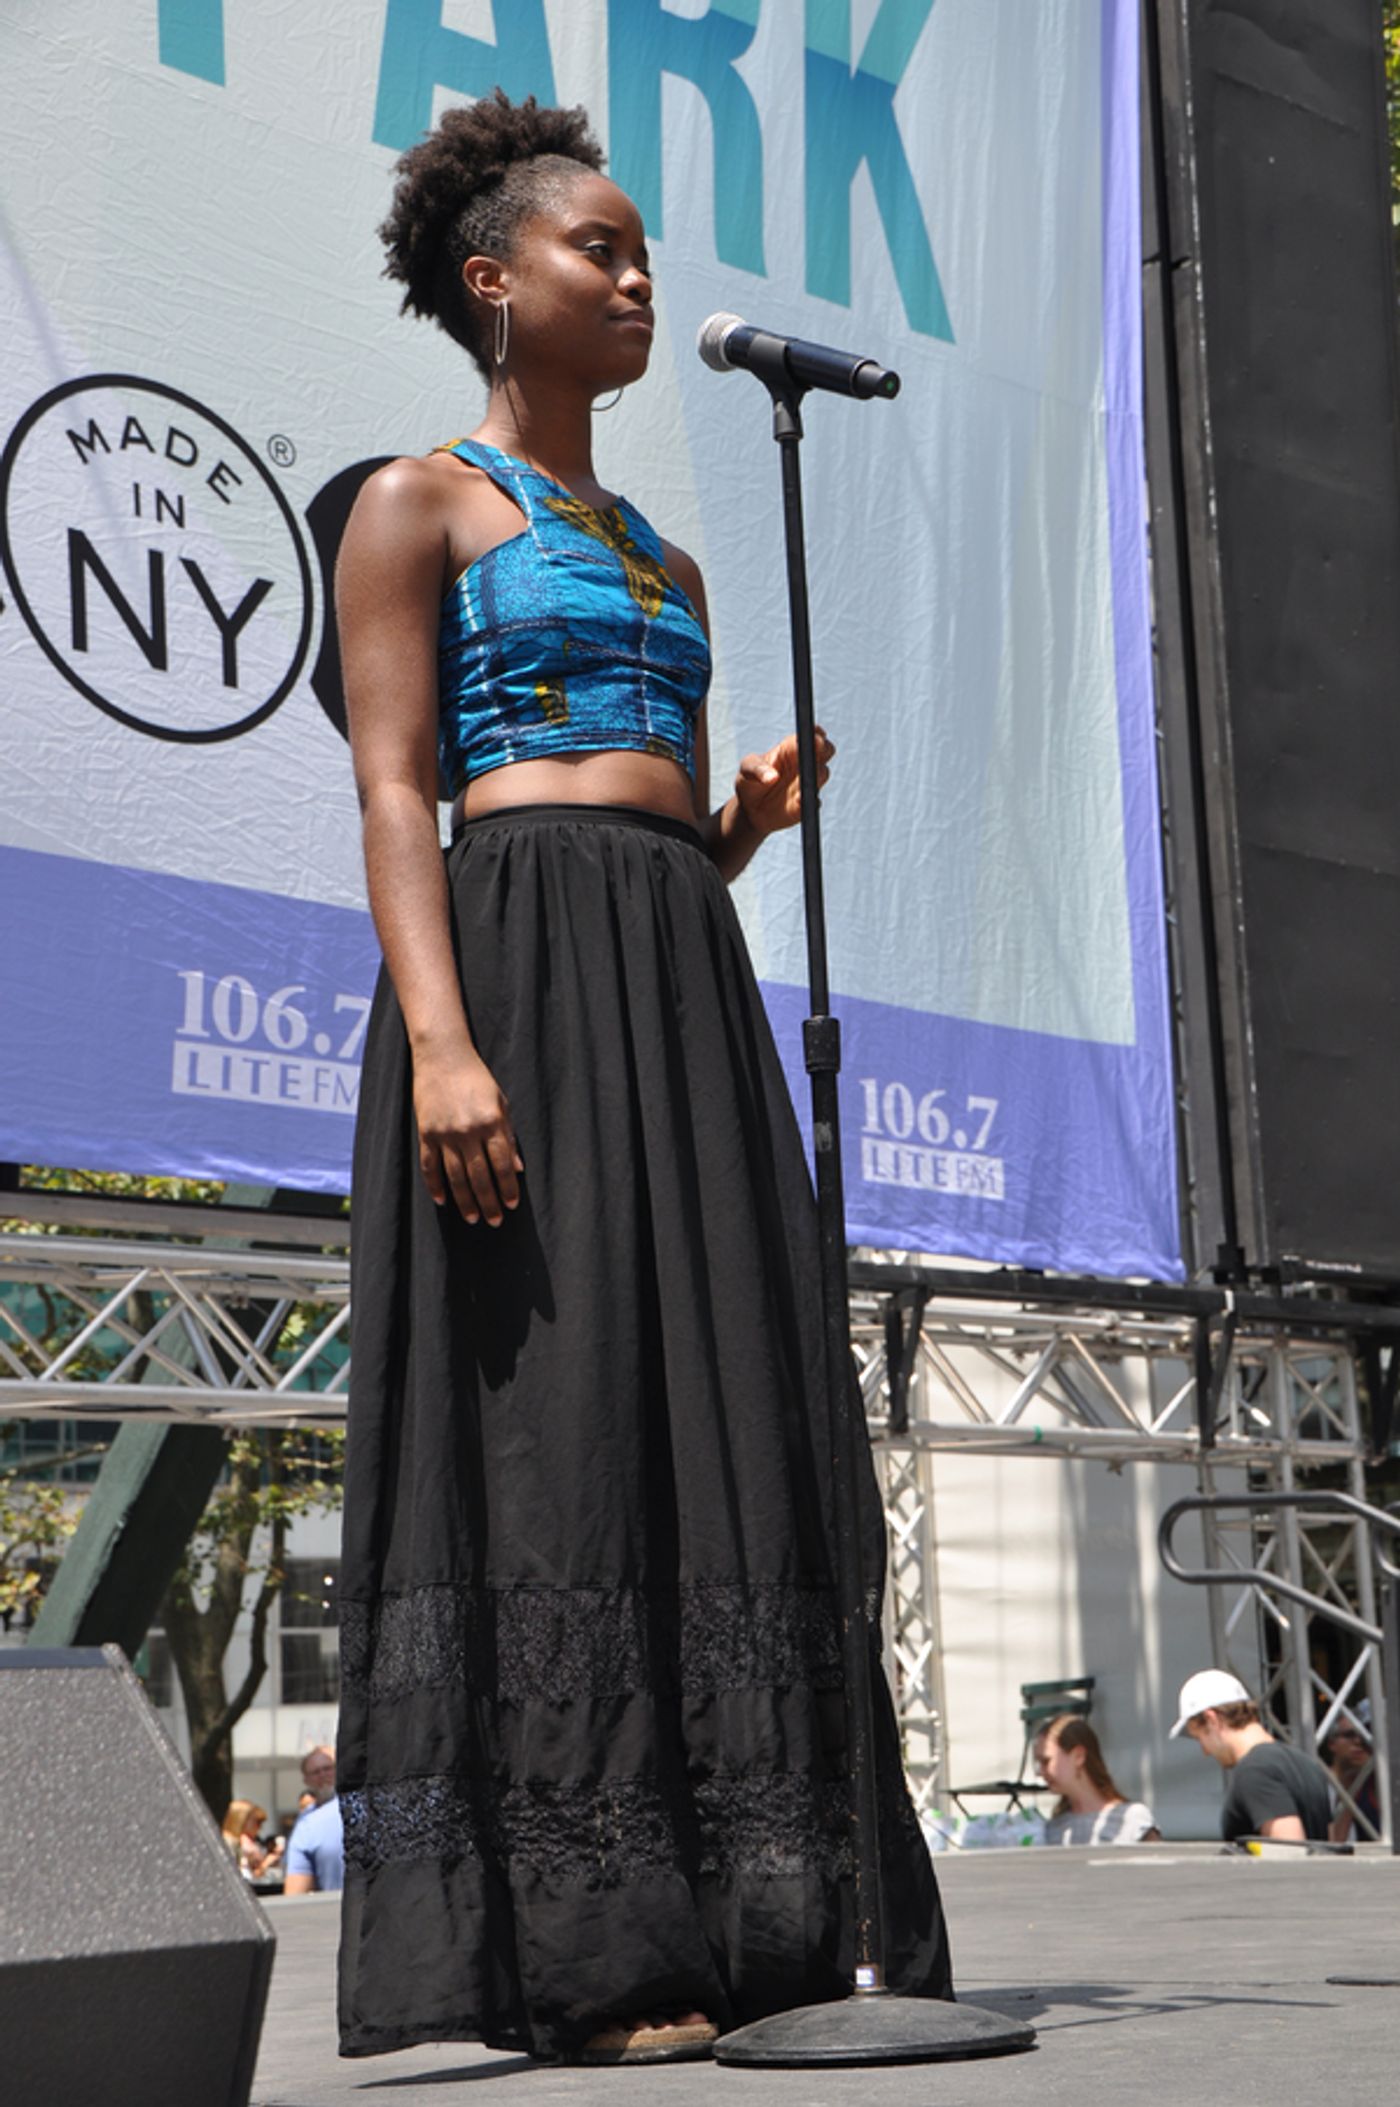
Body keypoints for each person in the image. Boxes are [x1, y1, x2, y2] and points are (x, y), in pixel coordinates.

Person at [334, 88, 951, 2068]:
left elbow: (644, 803)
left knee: (715, 1400)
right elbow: (396, 786)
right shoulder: (415, 503)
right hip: (507, 955)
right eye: (595, 249)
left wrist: (737, 826)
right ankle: (592, 1947)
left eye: (640, 252)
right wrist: (442, 1040)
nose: (634, 274)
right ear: (487, 279)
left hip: (676, 961)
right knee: (565, 1415)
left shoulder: (672, 556)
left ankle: (773, 1915)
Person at [1170, 1669, 1332, 1843]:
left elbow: (1291, 1854)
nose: (1205, 1751)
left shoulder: (1255, 1771)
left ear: (1212, 1720)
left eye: (1200, 1737)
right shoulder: (1306, 1763)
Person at [1033, 1714, 1160, 1845]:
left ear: (1078, 1756)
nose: (1039, 1772)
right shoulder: (1052, 1830)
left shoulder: (1133, 1819)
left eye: (1046, 1761)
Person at [284, 1744, 345, 1896]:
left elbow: (294, 1896)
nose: (323, 1775)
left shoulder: (309, 1826)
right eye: (316, 1772)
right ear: (306, 1780)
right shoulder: (305, 1822)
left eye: (328, 1768)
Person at [1323, 1702, 1379, 1843]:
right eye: (1350, 1735)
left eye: (1366, 1735)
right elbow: (1335, 1843)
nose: (1358, 1741)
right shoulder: (1321, 1784)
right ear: (1331, 1743)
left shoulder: (1376, 1782)